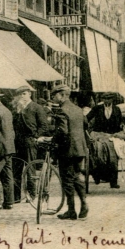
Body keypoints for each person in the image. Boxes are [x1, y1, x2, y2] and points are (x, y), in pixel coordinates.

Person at [50, 84, 89, 220]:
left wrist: (53, 140)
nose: (53, 98)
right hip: (80, 149)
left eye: (54, 96)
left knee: (67, 179)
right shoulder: (78, 109)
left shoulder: (62, 111)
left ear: (62, 95)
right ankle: (84, 203)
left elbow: (63, 131)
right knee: (77, 176)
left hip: (67, 150)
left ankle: (71, 210)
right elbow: (86, 125)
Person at [12, 86, 49, 201]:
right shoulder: (16, 108)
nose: (22, 97)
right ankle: (16, 197)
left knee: (30, 167)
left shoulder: (36, 107)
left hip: (29, 141)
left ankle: (32, 195)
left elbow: (44, 126)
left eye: (24, 94)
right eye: (20, 95)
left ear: (29, 94)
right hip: (17, 142)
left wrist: (36, 137)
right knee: (16, 169)